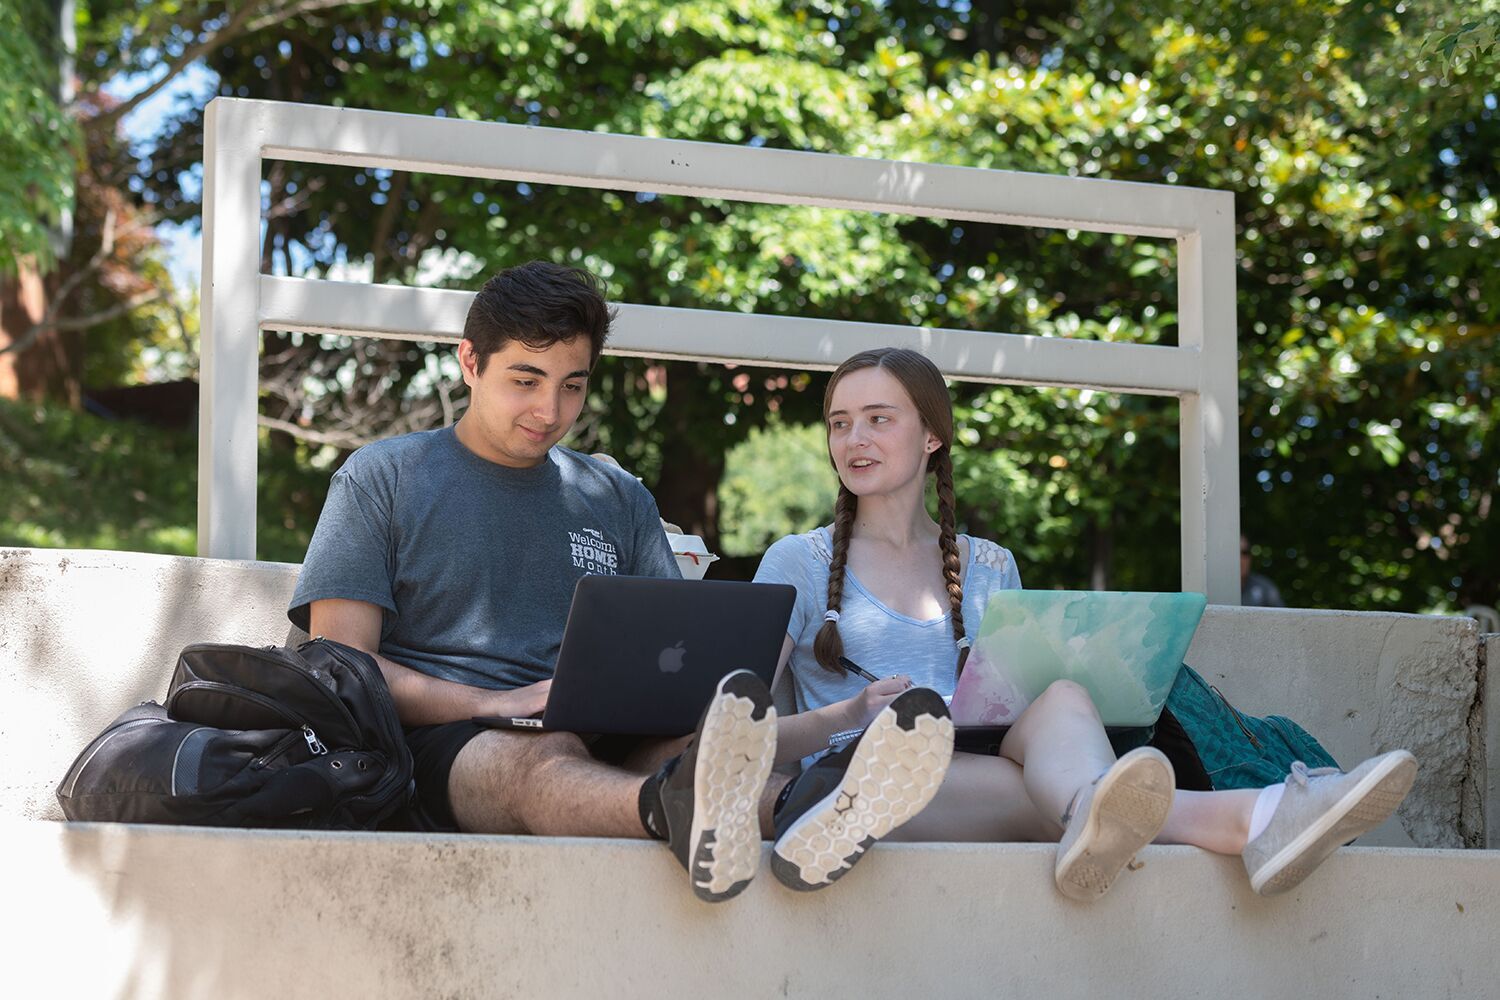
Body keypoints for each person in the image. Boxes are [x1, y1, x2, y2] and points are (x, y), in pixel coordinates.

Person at [288, 262, 951, 903]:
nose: (549, 409)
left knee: (706, 745)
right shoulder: (384, 478)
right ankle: (679, 809)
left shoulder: (615, 497)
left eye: (572, 385)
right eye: (525, 379)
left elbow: (675, 655)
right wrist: (495, 702)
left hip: (605, 732)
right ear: (470, 362)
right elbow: (342, 666)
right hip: (447, 745)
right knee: (543, 760)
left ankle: (810, 809)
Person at [754, 347, 1417, 901]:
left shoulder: (990, 565)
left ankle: (1108, 818)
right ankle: (1250, 818)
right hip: (862, 788)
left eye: (878, 419)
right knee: (1055, 788)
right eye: (840, 423)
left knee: (1066, 697)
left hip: (982, 776)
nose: (854, 440)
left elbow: (1008, 717)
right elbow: (737, 738)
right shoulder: (798, 561)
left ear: (933, 435)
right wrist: (846, 715)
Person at [1241, 535, 1286, 607]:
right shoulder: (1217, 589)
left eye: (1245, 552)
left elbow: (1283, 616)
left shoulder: (1266, 587)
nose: (1241, 558)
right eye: (1235, 553)